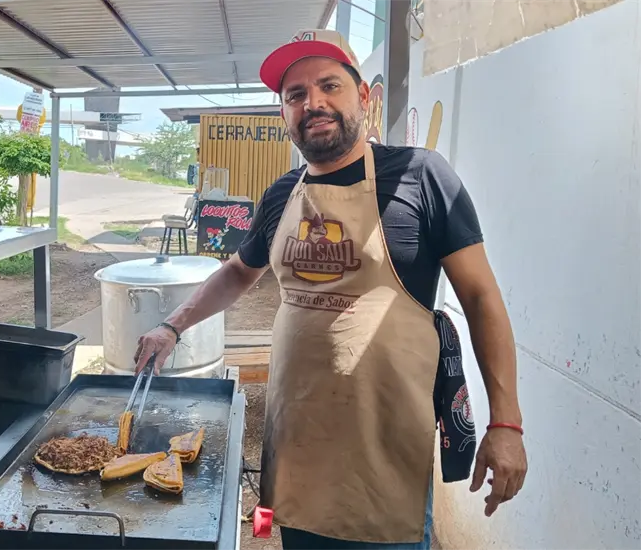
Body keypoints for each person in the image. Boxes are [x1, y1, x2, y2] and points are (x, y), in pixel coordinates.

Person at [134, 29, 527, 550]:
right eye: (295, 95)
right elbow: (237, 272)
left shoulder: (422, 178)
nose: (312, 103)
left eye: (329, 86)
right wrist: (171, 325)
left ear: (364, 98)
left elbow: (480, 299)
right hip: (299, 441)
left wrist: (507, 422)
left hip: (385, 448)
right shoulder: (279, 196)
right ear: (283, 115)